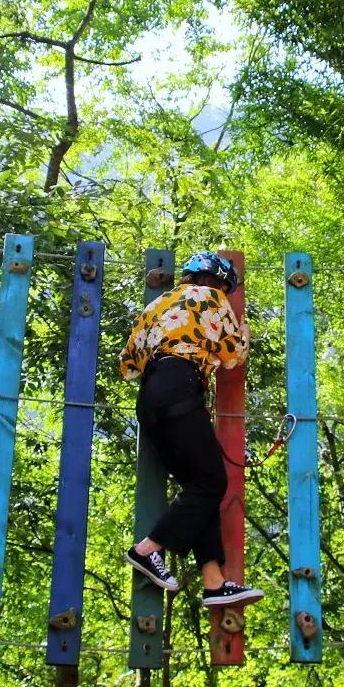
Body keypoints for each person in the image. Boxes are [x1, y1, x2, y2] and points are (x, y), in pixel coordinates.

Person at [119, 250, 265, 608]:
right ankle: (147, 549)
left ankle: (214, 583)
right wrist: (243, 333)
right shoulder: (211, 298)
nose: (225, 294)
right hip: (181, 387)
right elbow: (232, 355)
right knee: (212, 483)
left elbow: (128, 365)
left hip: (151, 397)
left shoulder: (158, 304)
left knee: (200, 487)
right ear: (216, 281)